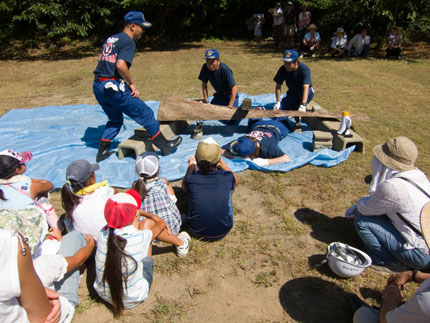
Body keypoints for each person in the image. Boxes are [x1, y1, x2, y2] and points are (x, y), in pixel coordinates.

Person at [93, 11, 182, 161]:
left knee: (115, 120)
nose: (143, 31)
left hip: (98, 86)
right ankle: (165, 146)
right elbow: (121, 65)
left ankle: (102, 152)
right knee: (146, 113)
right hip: (112, 86)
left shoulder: (111, 39)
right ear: (133, 26)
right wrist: (132, 83)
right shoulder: (128, 41)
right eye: (142, 27)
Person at [94, 190, 190, 317]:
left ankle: (180, 244)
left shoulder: (102, 233)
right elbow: (160, 223)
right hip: (134, 297)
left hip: (103, 293)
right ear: (135, 214)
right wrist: (143, 213)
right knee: (147, 224)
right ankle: (182, 244)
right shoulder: (140, 237)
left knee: (144, 228)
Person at [345, 136, 430, 270]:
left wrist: (359, 204)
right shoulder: (419, 175)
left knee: (363, 221)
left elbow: (365, 209)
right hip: (426, 243)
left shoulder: (394, 187)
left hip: (421, 255)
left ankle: (387, 261)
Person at [0, 228, 60, 323]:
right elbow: (45, 318)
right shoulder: (7, 242)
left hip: (29, 288)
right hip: (39, 312)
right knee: (75, 239)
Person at [182, 137, 238, 240]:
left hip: (196, 230)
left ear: (197, 159)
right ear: (218, 161)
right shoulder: (227, 177)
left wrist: (190, 166)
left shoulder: (192, 179)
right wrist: (223, 164)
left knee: (192, 193)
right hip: (223, 230)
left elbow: (184, 188)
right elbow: (235, 180)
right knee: (228, 190)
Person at [0, 149, 58, 228]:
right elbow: (49, 185)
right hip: (29, 230)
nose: (25, 164)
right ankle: (57, 228)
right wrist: (27, 179)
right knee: (43, 200)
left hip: (5, 228)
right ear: (17, 170)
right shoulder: (29, 185)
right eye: (22, 162)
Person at [61, 159, 116, 241]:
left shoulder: (69, 197)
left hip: (83, 242)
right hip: (104, 240)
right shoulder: (103, 191)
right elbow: (115, 192)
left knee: (65, 218)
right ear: (92, 179)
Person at [353, 268, 430, 322]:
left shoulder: (426, 300)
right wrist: (412, 275)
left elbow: (385, 321)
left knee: (364, 315)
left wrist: (390, 300)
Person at [133, 152, 182, 235]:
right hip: (171, 228)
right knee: (168, 188)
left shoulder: (135, 185)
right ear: (158, 169)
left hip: (148, 231)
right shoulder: (162, 182)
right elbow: (164, 182)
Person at [222, 120, 291, 166]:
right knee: (253, 121)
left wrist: (265, 162)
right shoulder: (241, 141)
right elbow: (220, 150)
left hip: (277, 127)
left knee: (285, 121)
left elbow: (286, 158)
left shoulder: (268, 148)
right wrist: (235, 157)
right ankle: (257, 113)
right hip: (258, 125)